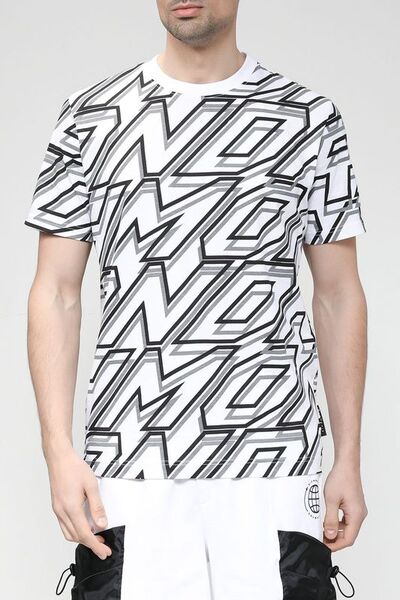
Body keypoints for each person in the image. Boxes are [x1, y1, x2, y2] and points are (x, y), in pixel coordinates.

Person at [24, 1, 368, 598]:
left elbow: (339, 294)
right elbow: (55, 291)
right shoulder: (91, 115)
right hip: (129, 465)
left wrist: (349, 458)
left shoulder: (309, 118)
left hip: (275, 463)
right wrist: (58, 453)